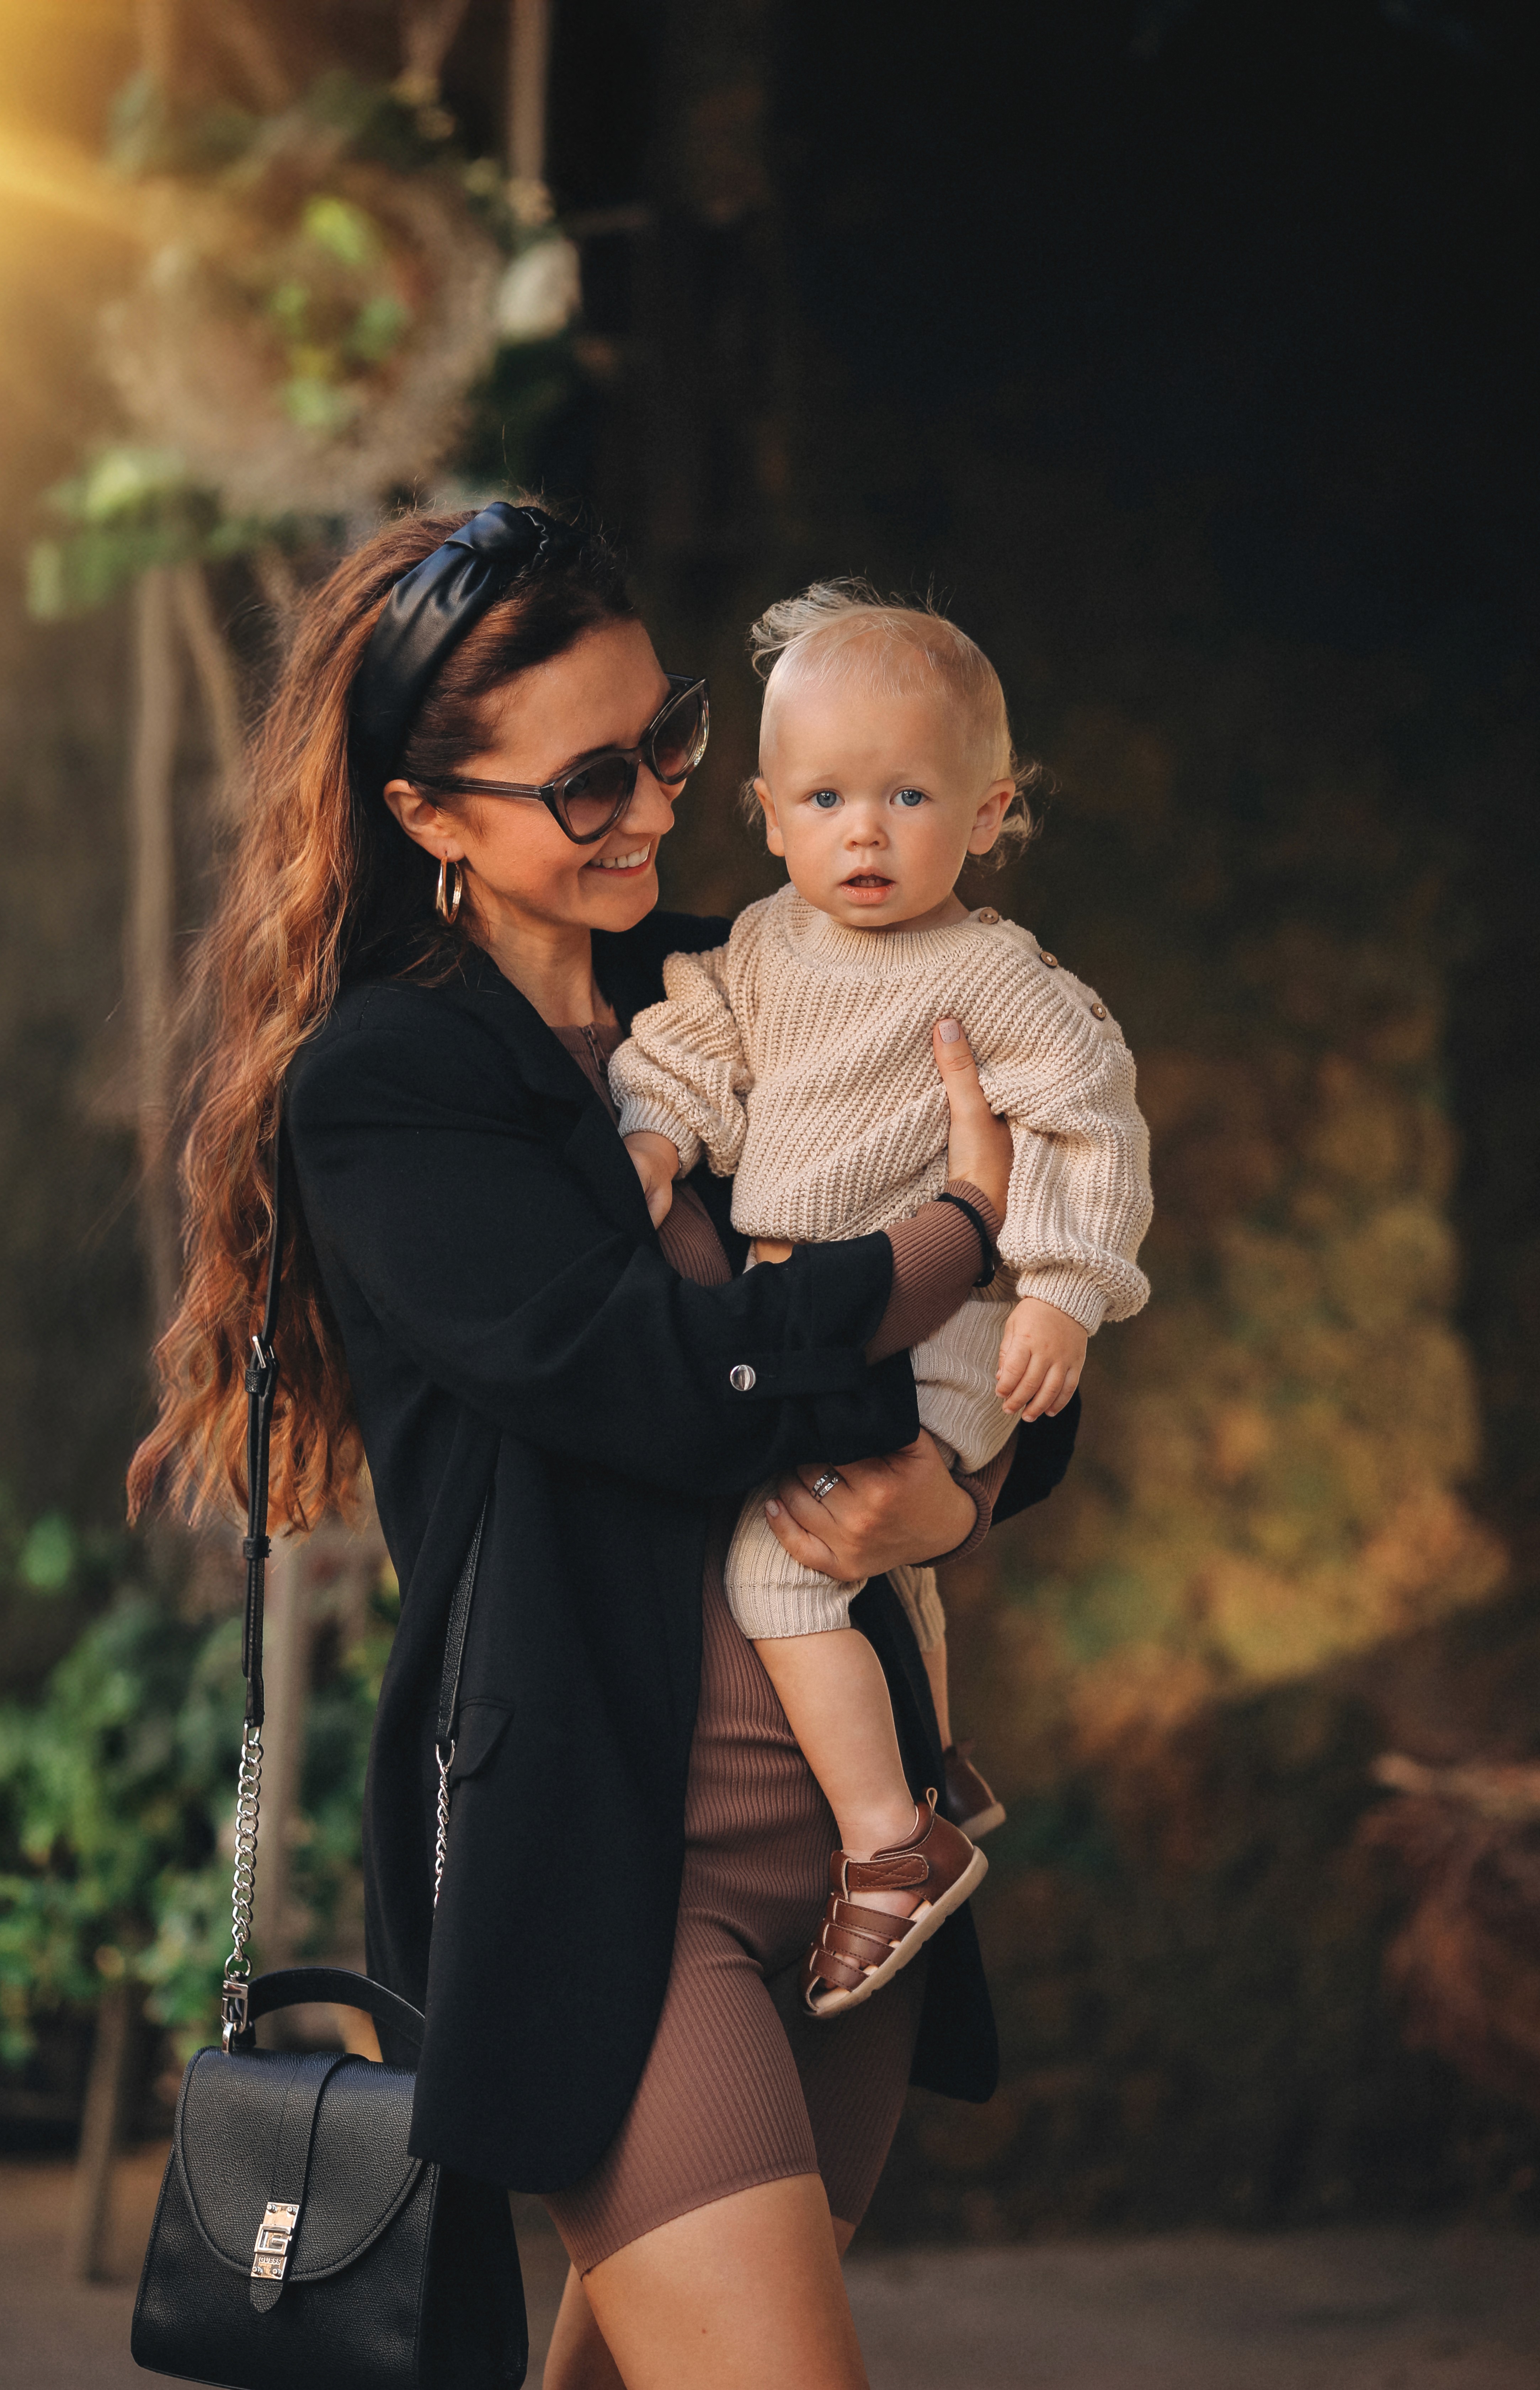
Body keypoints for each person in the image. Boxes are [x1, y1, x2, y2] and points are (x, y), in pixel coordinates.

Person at [127, 501, 1075, 2390]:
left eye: (672, 740)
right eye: (586, 783)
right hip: (600, 1872)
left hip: (849, 1878)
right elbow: (636, 1373)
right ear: (427, 814)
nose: (654, 805)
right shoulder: (392, 1087)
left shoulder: (759, 981)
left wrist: (949, 1486)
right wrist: (939, 1244)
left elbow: (1031, 1338)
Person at [611, 583, 1152, 2018]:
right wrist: (659, 1139)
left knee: (779, 1568)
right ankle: (926, 1757)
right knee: (876, 1553)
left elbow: (1084, 1127)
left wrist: (1064, 1292)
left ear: (989, 813)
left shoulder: (997, 979)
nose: (866, 830)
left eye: (910, 794)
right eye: (828, 796)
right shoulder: (765, 947)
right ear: (769, 815)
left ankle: (887, 1845)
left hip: (943, 1330)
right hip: (821, 1319)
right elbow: (691, 1043)